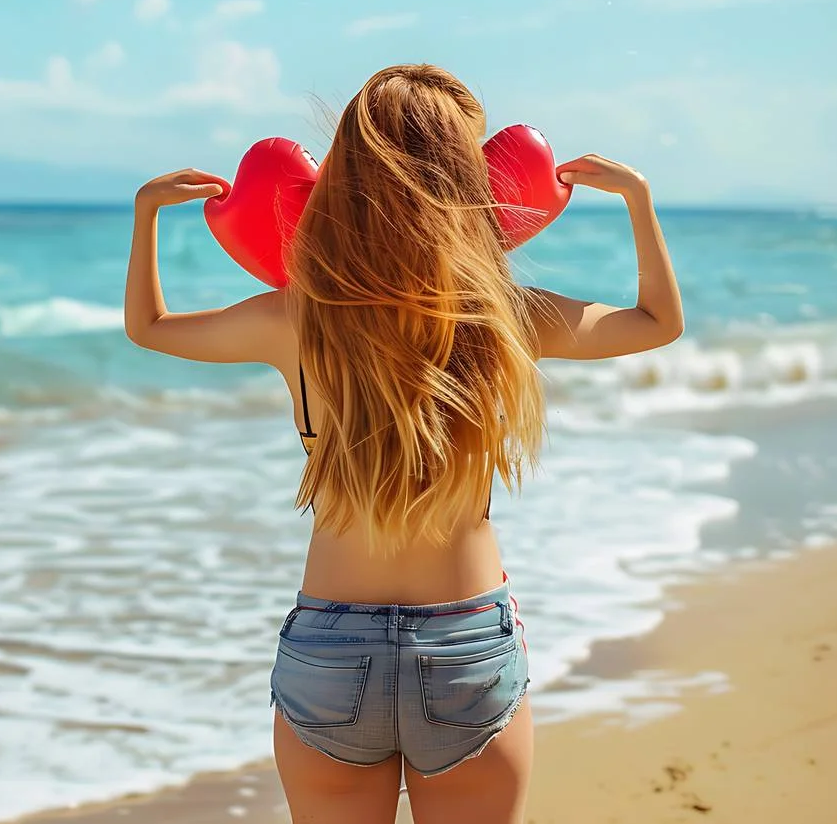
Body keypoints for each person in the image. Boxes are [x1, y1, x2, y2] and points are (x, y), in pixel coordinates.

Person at [122, 63, 683, 823]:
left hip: (331, 651)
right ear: (467, 181)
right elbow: (657, 322)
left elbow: (149, 328)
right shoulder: (502, 316)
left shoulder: (296, 317)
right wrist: (638, 201)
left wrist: (147, 217)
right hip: (464, 646)